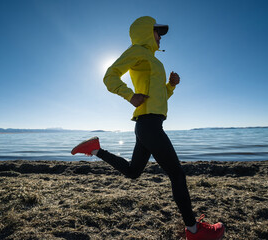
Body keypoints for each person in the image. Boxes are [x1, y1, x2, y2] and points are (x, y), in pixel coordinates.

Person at [71, 16, 225, 240]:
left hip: (147, 124)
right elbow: (109, 76)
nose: (160, 37)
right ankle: (194, 231)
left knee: (134, 172)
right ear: (145, 32)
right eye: (157, 32)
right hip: (149, 125)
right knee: (177, 175)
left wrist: (170, 86)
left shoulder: (153, 61)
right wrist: (129, 95)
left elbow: (158, 96)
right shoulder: (137, 51)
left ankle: (96, 149)